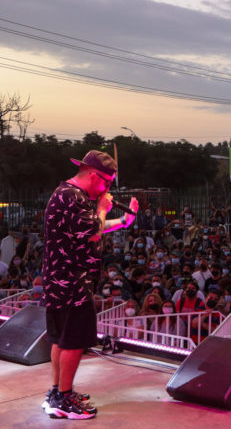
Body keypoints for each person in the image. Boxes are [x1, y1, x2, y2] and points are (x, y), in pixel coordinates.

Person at [41, 150, 138, 420]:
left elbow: (89, 228)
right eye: (106, 183)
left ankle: (58, 392)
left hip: (62, 279)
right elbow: (94, 229)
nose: (107, 190)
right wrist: (103, 208)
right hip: (71, 281)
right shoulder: (72, 197)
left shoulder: (68, 194)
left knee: (61, 339)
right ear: (94, 175)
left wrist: (123, 221)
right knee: (72, 341)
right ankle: (63, 400)